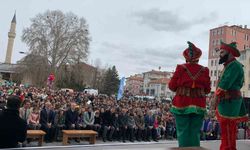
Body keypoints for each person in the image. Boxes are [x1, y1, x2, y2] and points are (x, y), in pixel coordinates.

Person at [169, 41, 211, 147]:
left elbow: (172, 86)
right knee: (195, 132)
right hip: (199, 104)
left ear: (186, 58)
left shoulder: (180, 68)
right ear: (198, 58)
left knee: (182, 131)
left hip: (182, 103)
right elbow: (207, 90)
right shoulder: (204, 70)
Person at [210, 42, 248, 150]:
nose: (220, 54)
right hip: (228, 101)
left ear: (229, 52)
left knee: (228, 129)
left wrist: (215, 98)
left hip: (230, 102)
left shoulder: (234, 65)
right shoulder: (229, 65)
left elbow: (225, 84)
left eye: (222, 52)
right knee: (227, 130)